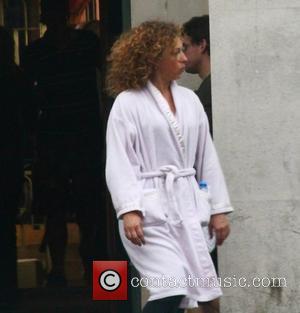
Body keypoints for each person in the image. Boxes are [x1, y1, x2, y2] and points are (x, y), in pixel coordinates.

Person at [105, 21, 233, 313]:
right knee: (172, 285)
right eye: (176, 52)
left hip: (187, 204)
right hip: (149, 212)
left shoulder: (189, 100)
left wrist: (218, 210)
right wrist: (129, 210)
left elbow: (206, 158)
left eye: (184, 50)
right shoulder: (128, 103)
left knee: (207, 297)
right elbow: (119, 161)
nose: (184, 58)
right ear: (153, 57)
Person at [21, 0, 106, 286]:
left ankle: (91, 273)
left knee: (88, 210)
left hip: (81, 138)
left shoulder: (85, 44)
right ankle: (62, 271)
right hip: (57, 140)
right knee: (59, 209)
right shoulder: (38, 53)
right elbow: (29, 101)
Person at [0, 26, 36, 308]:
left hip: (9, 158)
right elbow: (29, 118)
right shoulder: (17, 77)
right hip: (9, 159)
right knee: (7, 227)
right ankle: (9, 290)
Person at [182, 15, 213, 134]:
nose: (181, 56)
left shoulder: (210, 91)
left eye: (185, 47)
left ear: (202, 45)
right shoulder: (210, 87)